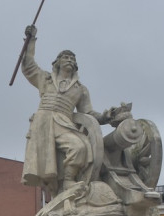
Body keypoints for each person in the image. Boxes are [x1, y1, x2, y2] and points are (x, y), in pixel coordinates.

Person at [20, 24, 107, 200]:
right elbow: (28, 66)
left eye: (72, 58)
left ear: (75, 66)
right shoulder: (45, 78)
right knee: (48, 165)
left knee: (79, 147)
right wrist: (31, 41)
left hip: (64, 122)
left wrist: (106, 116)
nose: (69, 60)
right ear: (57, 62)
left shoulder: (80, 89)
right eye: (65, 57)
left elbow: (88, 112)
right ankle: (56, 190)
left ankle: (68, 180)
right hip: (44, 121)